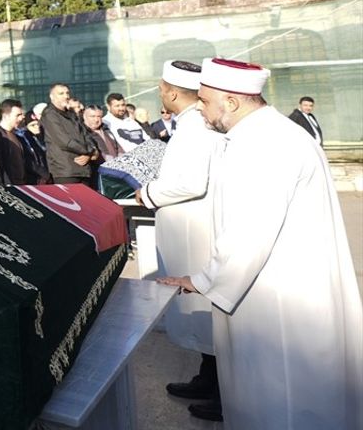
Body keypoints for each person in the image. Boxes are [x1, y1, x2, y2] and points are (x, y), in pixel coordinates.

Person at [159, 58, 362, 430]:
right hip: (281, 282)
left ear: (232, 102)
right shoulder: (266, 134)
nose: (199, 108)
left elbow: (248, 230)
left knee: (281, 400)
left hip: (280, 298)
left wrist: (202, 280)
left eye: (204, 101)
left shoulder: (264, 144)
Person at [136, 61, 226, 422]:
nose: (160, 93)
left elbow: (190, 182)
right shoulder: (192, 124)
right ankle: (208, 379)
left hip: (196, 232)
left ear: (171, 92)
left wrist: (148, 192)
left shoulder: (195, 128)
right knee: (200, 315)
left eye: (161, 88)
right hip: (190, 229)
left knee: (206, 313)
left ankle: (221, 392)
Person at [38, 83, 98, 187]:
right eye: (61, 93)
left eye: (67, 93)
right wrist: (89, 151)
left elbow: (86, 134)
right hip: (65, 171)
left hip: (84, 170)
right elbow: (65, 142)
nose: (66, 96)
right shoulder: (50, 114)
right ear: (52, 96)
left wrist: (90, 152)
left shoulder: (72, 114)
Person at [0, 99, 28, 184]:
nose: (22, 117)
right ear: (6, 116)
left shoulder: (15, 134)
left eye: (22, 114)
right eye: (18, 115)